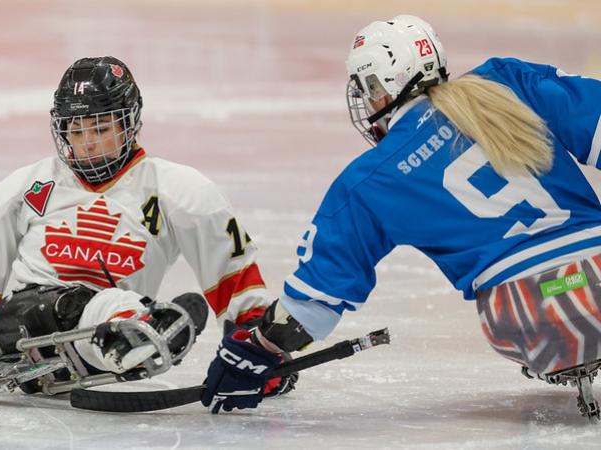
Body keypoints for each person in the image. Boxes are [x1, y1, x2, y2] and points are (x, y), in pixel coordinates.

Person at [202, 14, 601, 415]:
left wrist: (255, 350)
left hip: (523, 319)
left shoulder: (371, 177)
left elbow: (315, 300)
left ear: (380, 87)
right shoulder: (507, 81)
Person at [0, 56, 288, 393]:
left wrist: (257, 345)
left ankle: (135, 333)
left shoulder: (180, 189)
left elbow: (234, 275)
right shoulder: (29, 184)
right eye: (76, 129)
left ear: (129, 123)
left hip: (111, 327)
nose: (87, 141)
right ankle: (142, 333)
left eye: (101, 127)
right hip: (22, 333)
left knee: (123, 307)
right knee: (80, 308)